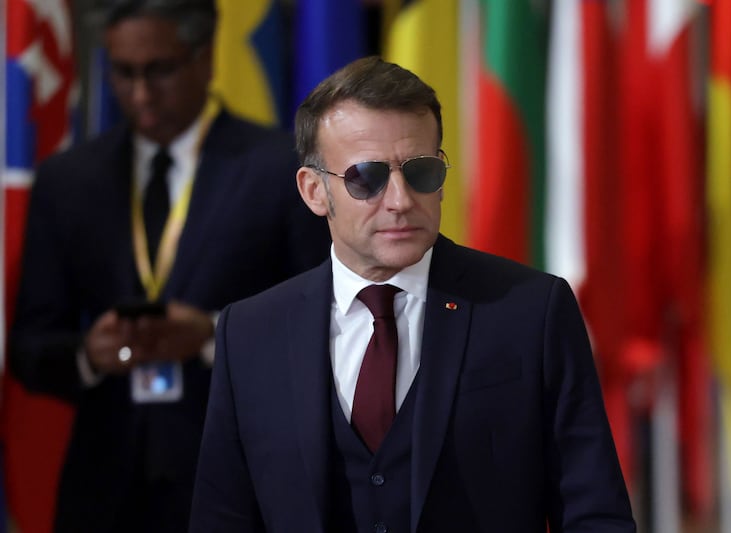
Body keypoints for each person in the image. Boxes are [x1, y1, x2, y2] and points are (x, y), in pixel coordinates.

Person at [189, 56, 636, 532]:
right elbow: (223, 518)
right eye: (367, 177)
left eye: (421, 172)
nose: (401, 200)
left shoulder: (531, 312)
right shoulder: (252, 332)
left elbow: (595, 514)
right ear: (314, 191)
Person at [8, 0, 329, 531]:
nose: (140, 93)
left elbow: (322, 320)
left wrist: (211, 335)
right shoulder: (68, 181)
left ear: (204, 59)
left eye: (159, 70)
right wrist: (89, 354)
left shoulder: (283, 170)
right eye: (124, 72)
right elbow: (29, 346)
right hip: (103, 486)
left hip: (237, 479)